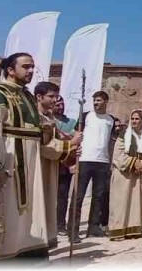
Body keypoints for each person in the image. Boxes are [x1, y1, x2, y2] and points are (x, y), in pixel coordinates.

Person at [0, 52, 69, 260]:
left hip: (32, 163)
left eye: (32, 67)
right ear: (10, 70)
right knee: (9, 212)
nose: (30, 71)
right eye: (26, 67)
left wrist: (62, 142)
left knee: (31, 211)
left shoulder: (27, 97)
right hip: (11, 162)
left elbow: (38, 132)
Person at [71, 90, 116, 239]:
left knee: (98, 196)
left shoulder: (111, 120)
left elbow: (110, 140)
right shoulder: (85, 116)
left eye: (99, 100)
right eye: (95, 101)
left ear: (106, 101)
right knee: (79, 195)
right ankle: (73, 229)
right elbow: (75, 134)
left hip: (102, 161)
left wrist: (110, 161)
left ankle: (94, 226)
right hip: (85, 159)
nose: (96, 103)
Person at [32, 82, 69, 250]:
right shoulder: (34, 117)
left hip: (50, 167)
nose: (55, 100)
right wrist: (68, 146)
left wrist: (69, 143)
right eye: (51, 96)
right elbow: (38, 145)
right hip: (37, 166)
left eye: (56, 97)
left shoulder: (50, 117)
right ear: (39, 97)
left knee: (49, 202)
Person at [109, 109, 142, 240]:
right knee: (121, 201)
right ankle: (118, 230)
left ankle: (133, 229)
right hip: (124, 174)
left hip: (141, 174)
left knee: (137, 202)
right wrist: (134, 163)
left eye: (137, 119)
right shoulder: (124, 135)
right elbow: (118, 154)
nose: (134, 121)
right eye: (132, 119)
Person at [49, 96, 77, 236]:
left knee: (62, 196)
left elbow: (74, 138)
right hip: (50, 162)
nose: (61, 107)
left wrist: (62, 136)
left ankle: (60, 225)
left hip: (65, 164)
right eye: (58, 105)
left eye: (62, 104)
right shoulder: (48, 120)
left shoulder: (71, 122)